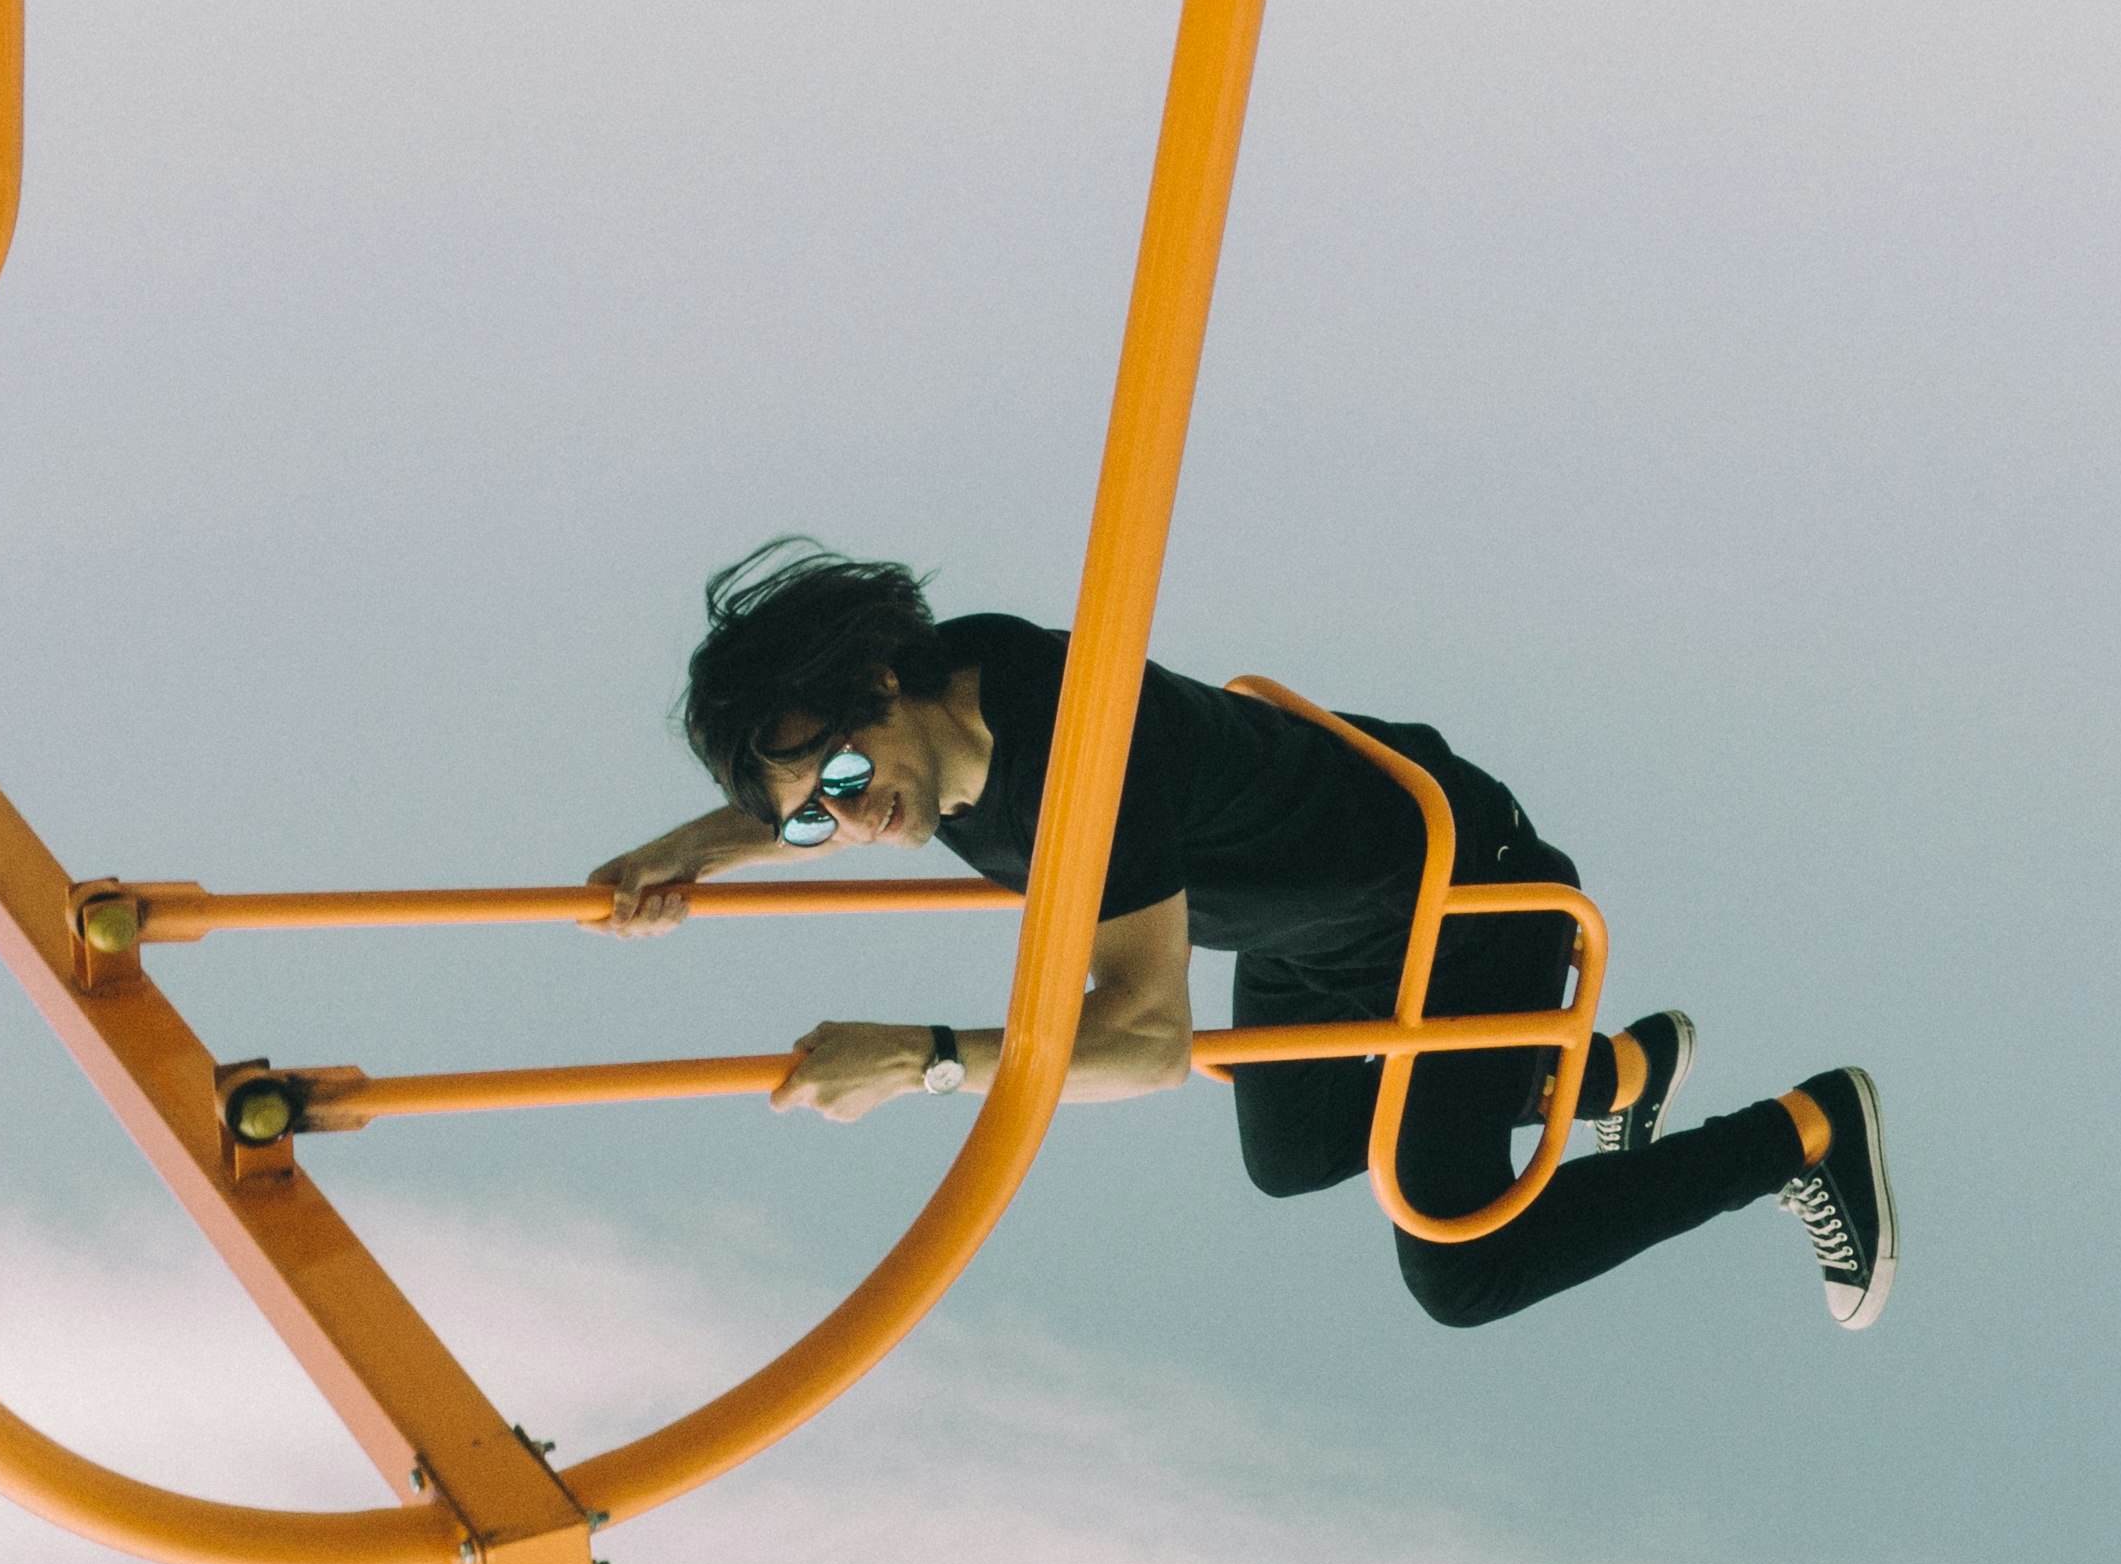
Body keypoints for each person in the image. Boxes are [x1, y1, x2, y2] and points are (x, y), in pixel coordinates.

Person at [585, 540, 1895, 1330]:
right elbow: (828, 781)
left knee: (1463, 1256)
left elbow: (1149, 1044)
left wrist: (920, 1056)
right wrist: (696, 849)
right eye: (813, 823)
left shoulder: (1074, 751)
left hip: (1458, 902)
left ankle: (1804, 1132)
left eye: (848, 788)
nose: (858, 827)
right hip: (1308, 930)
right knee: (1299, 1156)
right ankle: (1596, 1073)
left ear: (880, 688)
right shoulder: (938, 714)